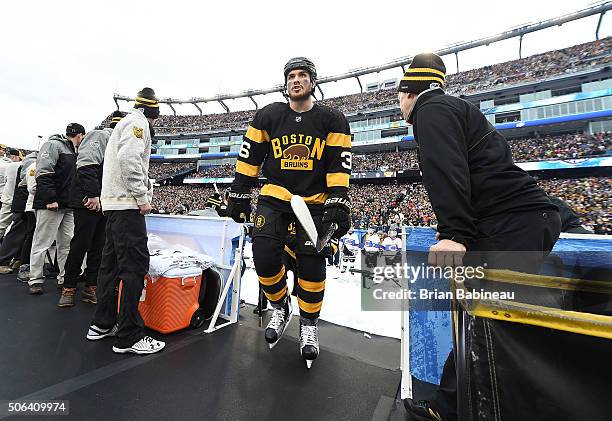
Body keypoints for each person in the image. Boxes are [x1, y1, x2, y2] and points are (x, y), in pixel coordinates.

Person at [397, 53, 561, 421]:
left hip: (511, 225)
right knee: (487, 320)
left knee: (490, 323)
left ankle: (454, 410)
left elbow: (447, 169)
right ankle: (451, 407)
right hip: (522, 220)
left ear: (410, 92)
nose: (400, 106)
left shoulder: (431, 110)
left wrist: (454, 233)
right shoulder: (458, 109)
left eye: (400, 96)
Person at [226, 57, 352, 366]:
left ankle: (308, 325)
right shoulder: (267, 115)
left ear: (312, 82)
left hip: (315, 200)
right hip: (276, 195)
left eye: (302, 76)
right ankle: (280, 305)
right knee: (264, 252)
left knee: (311, 264)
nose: (296, 80)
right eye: (291, 76)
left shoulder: (333, 120)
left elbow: (339, 163)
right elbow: (249, 158)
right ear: (286, 83)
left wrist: (338, 200)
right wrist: (240, 194)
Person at [87, 88, 165, 355]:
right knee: (134, 266)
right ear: (152, 112)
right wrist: (142, 197)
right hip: (127, 205)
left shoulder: (126, 121)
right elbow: (129, 160)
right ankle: (129, 336)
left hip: (113, 206)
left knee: (110, 266)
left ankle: (103, 323)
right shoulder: (138, 122)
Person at [59, 111, 126, 308]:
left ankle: (91, 286)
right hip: (87, 200)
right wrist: (93, 195)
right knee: (80, 244)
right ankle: (69, 287)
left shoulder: (119, 141)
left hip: (103, 201)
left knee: (99, 246)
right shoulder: (102, 136)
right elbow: (87, 166)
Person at [28, 123, 85, 295]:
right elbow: (44, 172)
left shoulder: (74, 151)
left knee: (67, 243)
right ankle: (35, 279)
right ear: (80, 135)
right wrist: (50, 198)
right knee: (42, 242)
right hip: (51, 204)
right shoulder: (52, 145)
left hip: (68, 205)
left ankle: (64, 277)